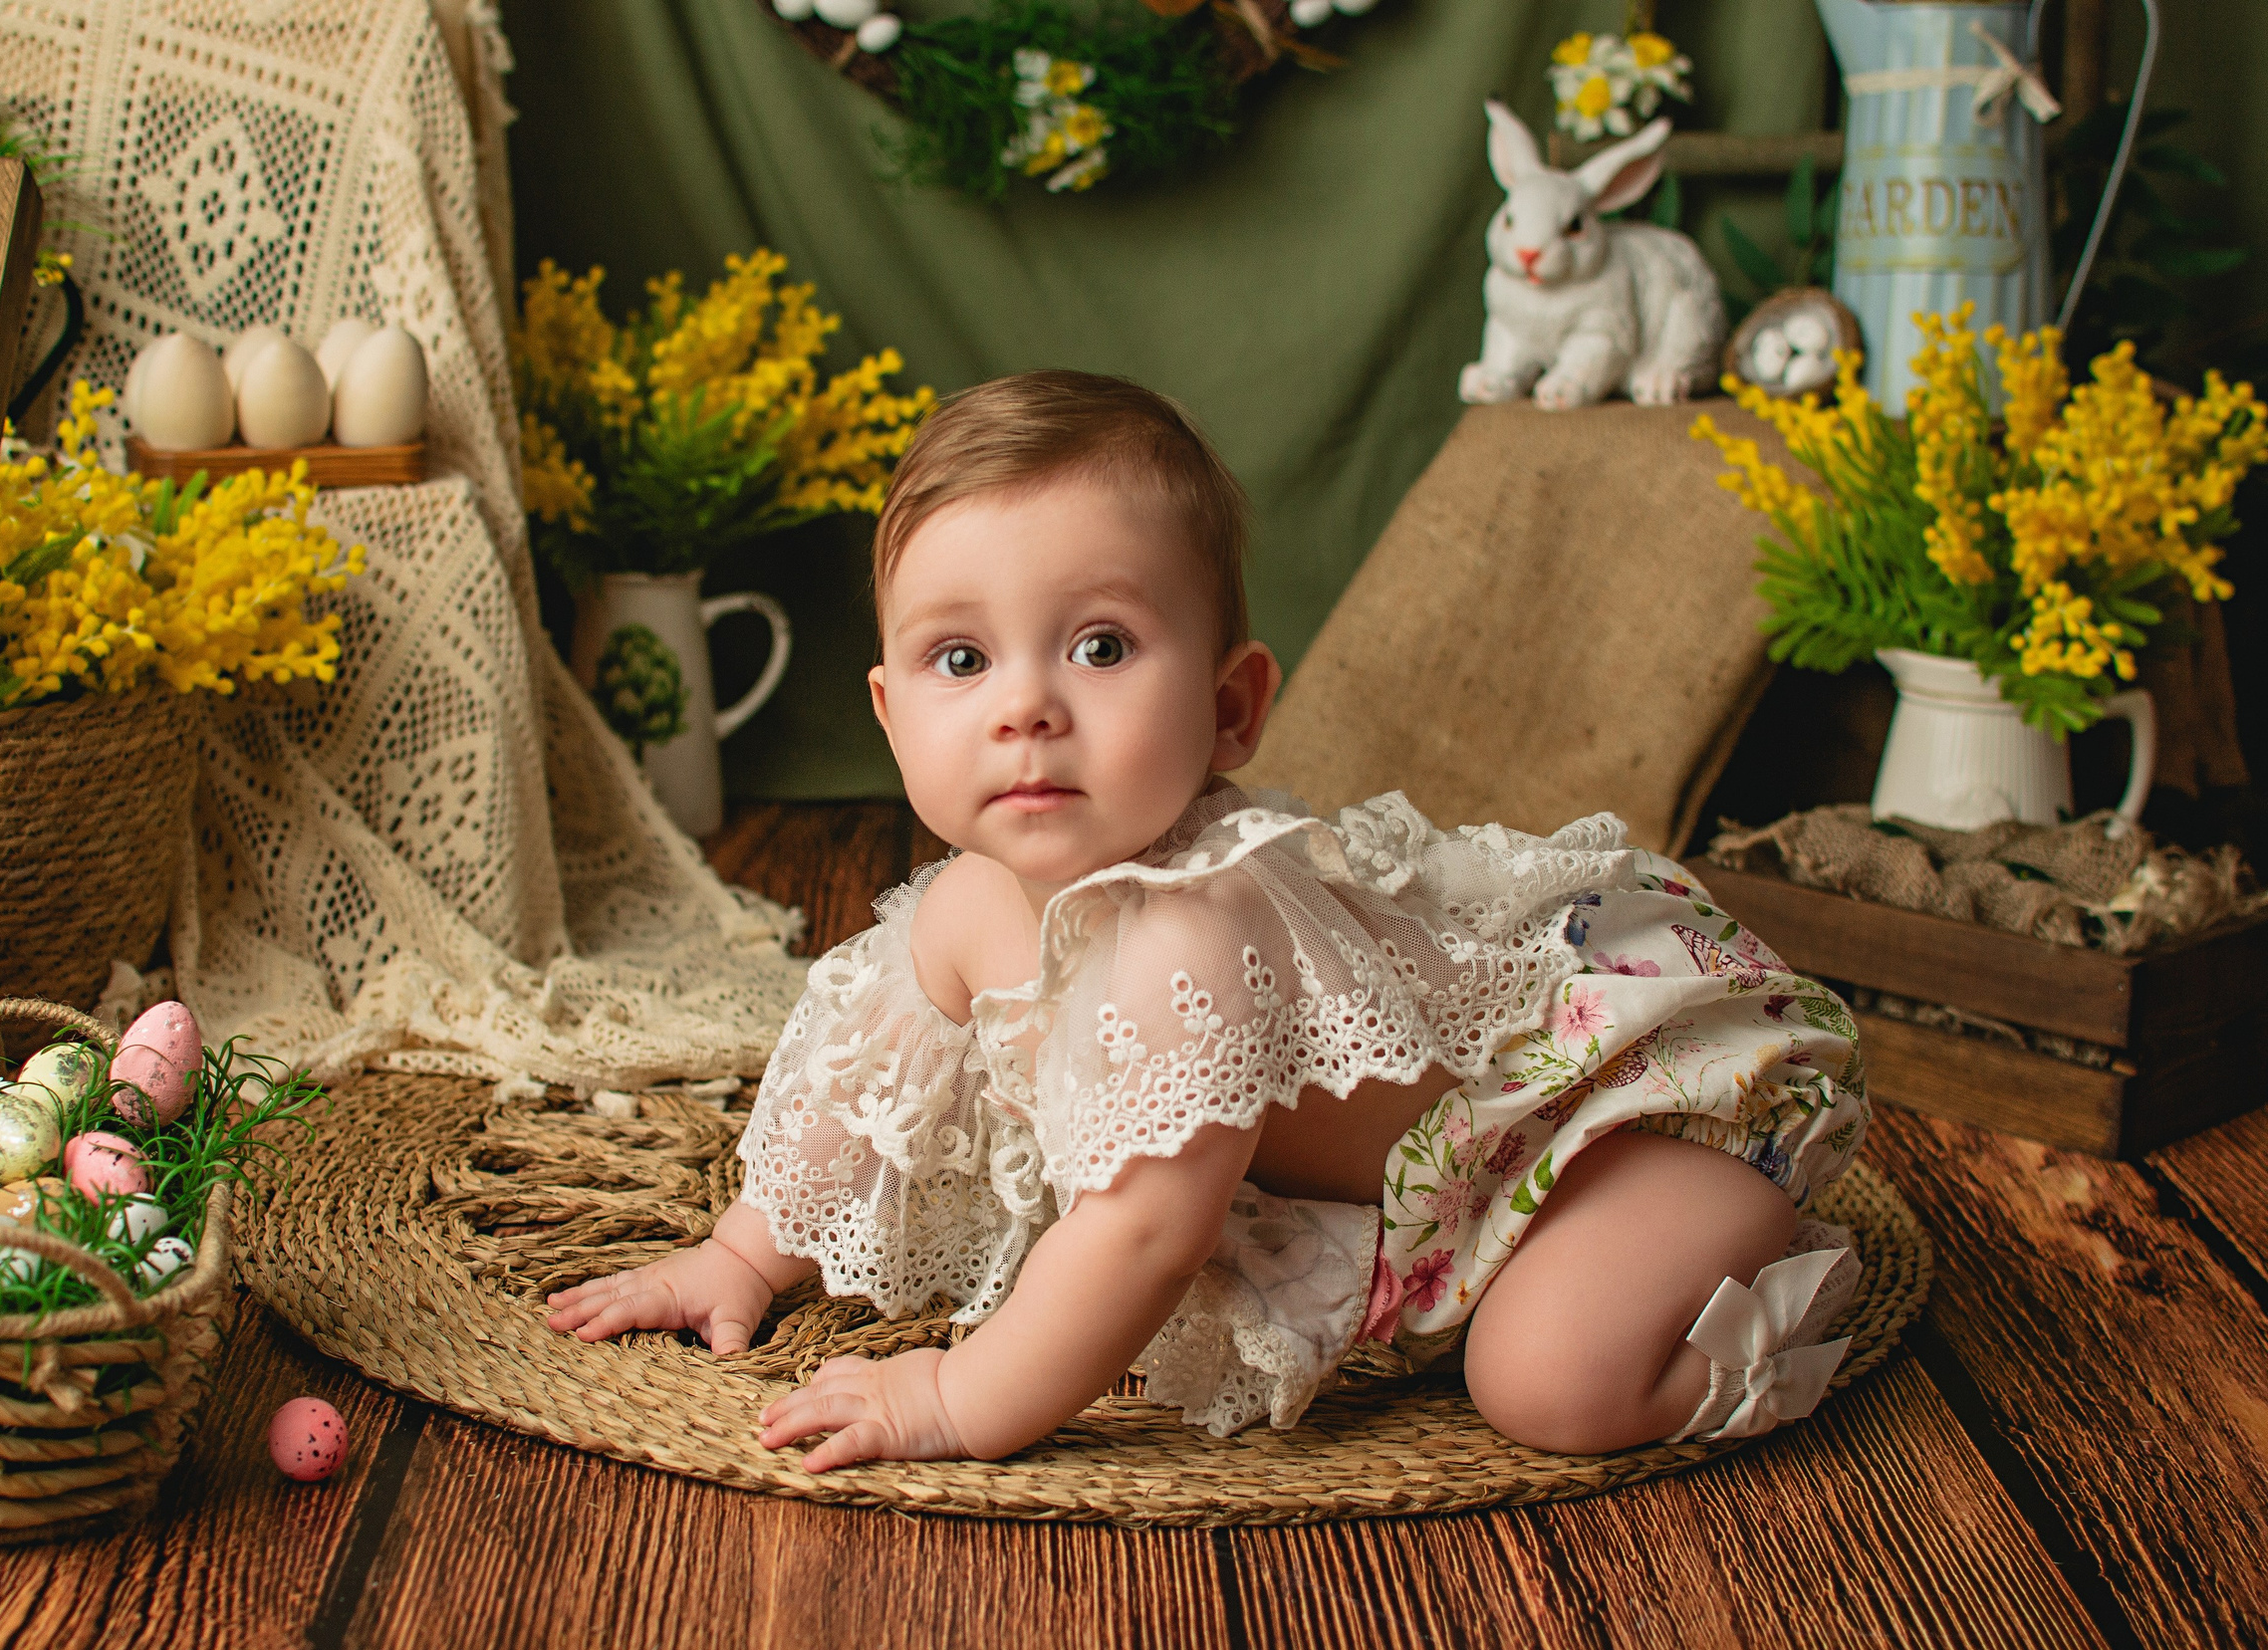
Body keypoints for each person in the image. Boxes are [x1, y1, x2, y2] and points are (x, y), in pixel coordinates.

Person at [548, 370, 1869, 1468]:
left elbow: (1142, 1233)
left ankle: (1769, 1299)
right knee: (1510, 1353)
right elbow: (869, 1094)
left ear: (1233, 709)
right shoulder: (968, 905)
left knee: (1552, 1387)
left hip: (1592, 1127)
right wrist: (742, 1254)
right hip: (1448, 1206)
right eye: (963, 659)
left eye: (1101, 646)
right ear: (894, 717)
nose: (1027, 708)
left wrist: (952, 1397)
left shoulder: (1190, 929)